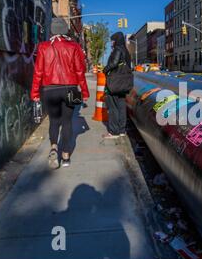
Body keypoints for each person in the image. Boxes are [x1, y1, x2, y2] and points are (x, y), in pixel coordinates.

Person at [31, 18, 90, 169]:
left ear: (52, 30)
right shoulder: (74, 46)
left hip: (49, 89)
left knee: (54, 121)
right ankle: (65, 157)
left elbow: (38, 72)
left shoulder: (43, 47)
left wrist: (35, 92)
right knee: (68, 123)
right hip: (71, 88)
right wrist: (84, 91)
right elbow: (80, 71)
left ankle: (53, 148)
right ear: (65, 30)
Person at [103, 32, 132, 139]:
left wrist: (105, 70)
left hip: (115, 83)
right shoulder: (126, 52)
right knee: (121, 106)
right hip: (124, 83)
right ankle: (122, 130)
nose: (112, 42)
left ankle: (113, 132)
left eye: (113, 40)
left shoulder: (117, 49)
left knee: (113, 107)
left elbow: (114, 63)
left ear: (116, 40)